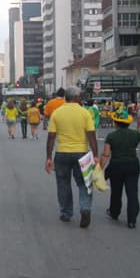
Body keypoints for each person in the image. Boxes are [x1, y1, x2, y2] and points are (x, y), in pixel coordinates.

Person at [45, 87, 98, 228]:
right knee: (84, 183)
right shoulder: (85, 113)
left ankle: (66, 213)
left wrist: (49, 157)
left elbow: (51, 137)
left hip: (62, 153)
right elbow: (91, 135)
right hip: (82, 153)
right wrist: (95, 155)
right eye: (80, 96)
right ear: (76, 97)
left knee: (63, 183)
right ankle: (85, 208)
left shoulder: (57, 113)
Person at [100, 108, 140, 228]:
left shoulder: (111, 136)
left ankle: (114, 212)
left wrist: (100, 168)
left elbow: (106, 155)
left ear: (115, 122)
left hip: (116, 165)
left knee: (116, 191)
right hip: (132, 165)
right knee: (132, 192)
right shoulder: (135, 134)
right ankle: (132, 220)